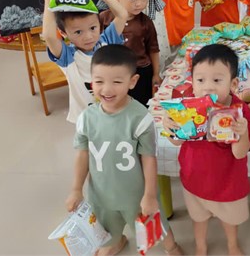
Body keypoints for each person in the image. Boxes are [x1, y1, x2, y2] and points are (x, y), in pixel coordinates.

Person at [65, 45, 182, 256]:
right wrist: (76, 188)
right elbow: (82, 153)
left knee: (157, 228)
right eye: (99, 81)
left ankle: (171, 247)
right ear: (91, 80)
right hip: (101, 195)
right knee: (107, 231)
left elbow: (149, 158)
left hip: (136, 195)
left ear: (132, 81)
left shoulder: (140, 118)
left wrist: (149, 195)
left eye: (117, 82)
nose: (107, 90)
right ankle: (116, 242)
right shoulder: (86, 118)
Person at [163, 44, 250, 256]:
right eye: (201, 80)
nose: (208, 88)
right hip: (194, 178)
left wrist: (240, 133)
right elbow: (176, 142)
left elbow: (240, 153)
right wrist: (170, 128)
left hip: (228, 182)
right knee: (198, 217)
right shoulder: (186, 107)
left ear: (233, 83)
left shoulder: (240, 112)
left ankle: (232, 245)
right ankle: (201, 246)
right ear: (192, 81)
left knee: (230, 219)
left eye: (217, 80)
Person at [42, 0, 127, 123]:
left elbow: (122, 15)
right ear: (63, 33)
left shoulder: (106, 41)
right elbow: (49, 36)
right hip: (88, 120)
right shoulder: (68, 57)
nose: (88, 37)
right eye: (78, 32)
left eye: (93, 28)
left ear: (99, 24)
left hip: (115, 113)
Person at [99, 0, 161, 106]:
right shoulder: (104, 18)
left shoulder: (146, 21)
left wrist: (156, 73)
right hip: (113, 72)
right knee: (116, 105)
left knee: (141, 105)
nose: (139, 3)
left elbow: (153, 49)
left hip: (142, 71)